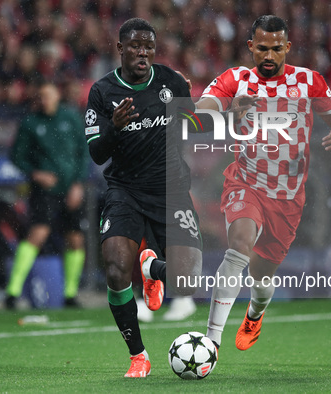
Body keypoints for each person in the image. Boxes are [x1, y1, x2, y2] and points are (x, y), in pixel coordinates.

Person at [196, 15, 331, 352]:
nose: (269, 56)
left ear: (287, 47)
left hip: (287, 197)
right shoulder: (234, 79)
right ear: (250, 47)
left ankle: (255, 314)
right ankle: (211, 342)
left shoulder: (309, 81)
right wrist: (227, 114)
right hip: (246, 183)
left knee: (261, 277)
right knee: (238, 245)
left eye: (276, 49)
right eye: (262, 49)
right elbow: (197, 113)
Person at [85, 18, 203, 378]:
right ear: (120, 49)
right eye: (135, 46)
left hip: (171, 190)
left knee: (187, 280)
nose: (143, 53)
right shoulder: (102, 92)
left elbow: (195, 123)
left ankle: (153, 268)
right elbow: (96, 153)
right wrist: (114, 128)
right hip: (126, 190)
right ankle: (138, 355)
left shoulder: (169, 81)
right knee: (117, 269)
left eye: (149, 47)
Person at [6, 80, 89, 308]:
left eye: (49, 95)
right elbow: (16, 156)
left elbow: (83, 152)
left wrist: (78, 184)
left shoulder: (71, 118)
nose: (45, 100)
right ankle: (12, 292)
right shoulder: (31, 123)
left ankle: (70, 294)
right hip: (44, 190)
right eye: (41, 96)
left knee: (75, 239)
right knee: (38, 234)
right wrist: (36, 174)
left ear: (57, 96)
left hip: (70, 187)